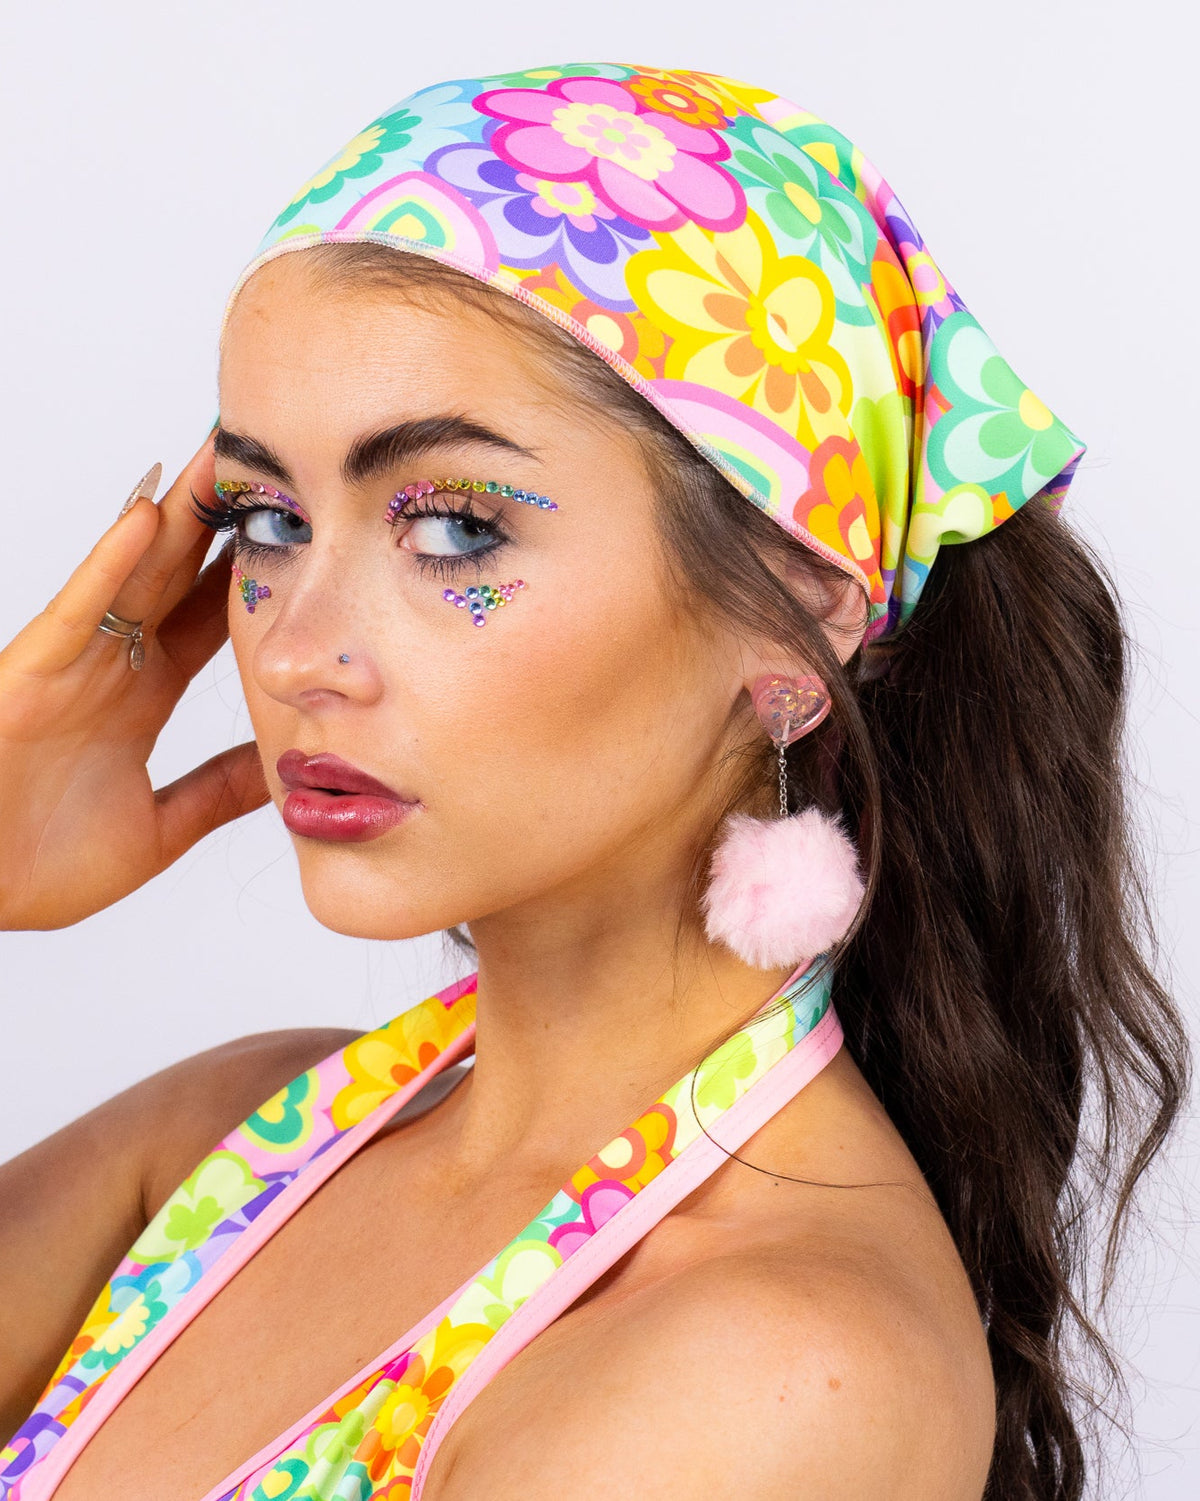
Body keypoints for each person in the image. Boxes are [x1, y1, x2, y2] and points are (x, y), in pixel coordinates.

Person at [0, 61, 1187, 1501]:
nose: (298, 651)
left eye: (454, 530)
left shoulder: (770, 1368)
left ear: (797, 613)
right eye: (269, 518)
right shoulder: (227, 1149)